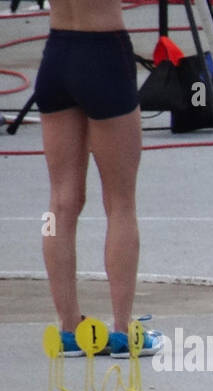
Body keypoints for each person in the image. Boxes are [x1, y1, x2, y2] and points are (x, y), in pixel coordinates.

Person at [34, 0, 162, 357]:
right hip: (103, 53)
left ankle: (69, 328)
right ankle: (122, 330)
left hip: (57, 54)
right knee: (120, 202)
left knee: (60, 200)